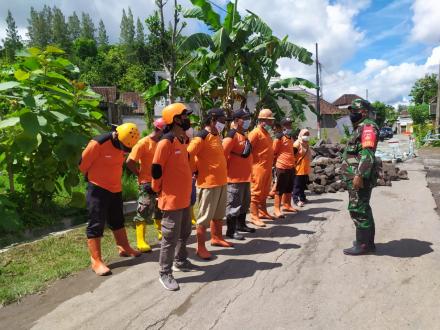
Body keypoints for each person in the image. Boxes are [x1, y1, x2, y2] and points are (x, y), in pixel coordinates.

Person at [79, 123, 141, 276]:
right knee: (96, 222)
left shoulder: (123, 145)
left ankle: (124, 247)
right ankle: (96, 260)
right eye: (122, 147)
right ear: (116, 135)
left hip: (116, 187)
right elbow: (82, 165)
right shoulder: (98, 143)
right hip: (98, 188)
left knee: (118, 219)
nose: (123, 151)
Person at [152, 103, 195, 291]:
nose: (187, 119)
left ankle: (181, 260)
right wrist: (157, 190)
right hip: (170, 199)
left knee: (184, 233)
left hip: (184, 197)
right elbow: (156, 169)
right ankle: (165, 273)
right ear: (175, 119)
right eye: (184, 116)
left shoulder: (183, 139)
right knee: (169, 238)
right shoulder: (165, 142)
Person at [188, 108, 232, 260]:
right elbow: (189, 154)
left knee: (219, 215)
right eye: (221, 121)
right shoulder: (202, 136)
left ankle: (217, 238)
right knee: (204, 217)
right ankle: (200, 248)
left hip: (221, 182)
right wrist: (194, 170)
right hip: (208, 184)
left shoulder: (217, 135)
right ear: (212, 120)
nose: (223, 124)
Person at [341, 99, 379, 255]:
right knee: (362, 208)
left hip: (359, 178)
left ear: (363, 112)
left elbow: (367, 154)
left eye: (354, 111)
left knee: (359, 209)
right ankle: (366, 242)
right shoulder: (360, 127)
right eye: (350, 111)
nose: (351, 114)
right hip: (355, 176)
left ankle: (364, 245)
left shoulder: (368, 127)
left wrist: (359, 175)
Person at [126, 118, 166, 253]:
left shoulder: (162, 143)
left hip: (160, 181)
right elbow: (130, 161)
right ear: (160, 130)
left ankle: (161, 232)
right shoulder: (143, 143)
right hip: (147, 183)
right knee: (143, 210)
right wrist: (139, 174)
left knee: (160, 208)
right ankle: (140, 240)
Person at [222, 109, 255, 239]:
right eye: (245, 118)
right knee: (233, 205)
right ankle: (231, 231)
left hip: (245, 177)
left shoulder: (243, 135)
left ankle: (241, 225)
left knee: (244, 203)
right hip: (234, 178)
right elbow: (222, 156)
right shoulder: (231, 136)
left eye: (248, 118)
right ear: (236, 120)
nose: (247, 121)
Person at [248, 108, 275, 226]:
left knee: (265, 191)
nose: (271, 123)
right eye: (269, 121)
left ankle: (263, 212)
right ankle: (254, 216)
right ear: (262, 120)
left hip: (267, 167)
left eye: (271, 121)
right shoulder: (255, 133)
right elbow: (247, 150)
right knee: (256, 192)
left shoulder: (266, 133)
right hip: (257, 168)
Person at [272, 118, 298, 218]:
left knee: (289, 187)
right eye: (287, 125)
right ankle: (276, 209)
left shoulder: (291, 137)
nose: (289, 126)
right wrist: (274, 165)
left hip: (291, 166)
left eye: (290, 124)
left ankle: (287, 205)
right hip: (281, 166)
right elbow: (274, 152)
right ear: (282, 126)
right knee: (280, 188)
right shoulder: (279, 137)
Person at [292, 129, 312, 207]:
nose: (306, 136)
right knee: (297, 185)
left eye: (307, 134)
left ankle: (303, 198)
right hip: (298, 168)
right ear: (300, 135)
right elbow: (292, 155)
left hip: (305, 168)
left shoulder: (306, 143)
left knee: (303, 185)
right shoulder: (297, 144)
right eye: (305, 134)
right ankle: (296, 200)